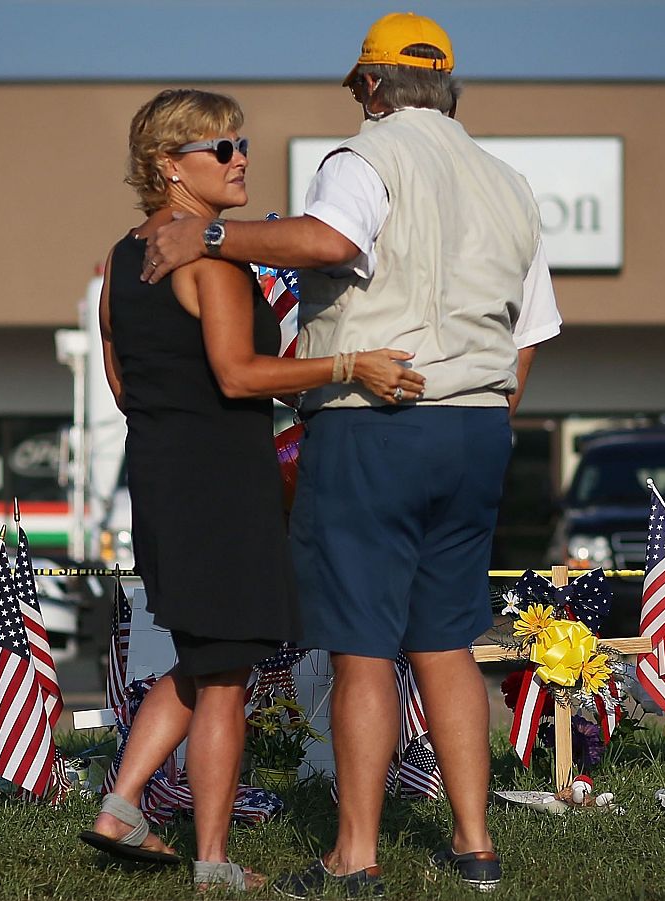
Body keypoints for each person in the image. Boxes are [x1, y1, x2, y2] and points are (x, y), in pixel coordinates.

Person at [141, 14, 562, 898]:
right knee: (448, 640)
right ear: (448, 87)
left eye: (355, 87)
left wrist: (212, 236)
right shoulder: (509, 182)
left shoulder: (363, 158)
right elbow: (533, 334)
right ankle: (475, 844)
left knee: (366, 648)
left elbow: (332, 241)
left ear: (371, 86)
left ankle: (356, 853)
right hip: (479, 426)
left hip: (377, 420)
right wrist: (481, 398)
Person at [77, 88, 427, 893]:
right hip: (221, 485)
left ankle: (122, 804)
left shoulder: (120, 262)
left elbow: (125, 385)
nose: (241, 159)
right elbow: (239, 375)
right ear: (170, 165)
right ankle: (214, 859)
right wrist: (351, 365)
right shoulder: (209, 258)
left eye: (241, 144)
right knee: (227, 675)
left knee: (207, 656)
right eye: (220, 149)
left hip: (160, 476)